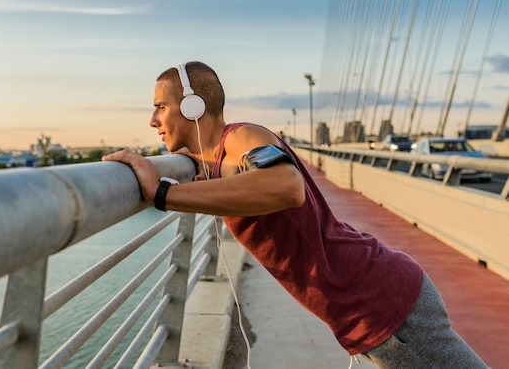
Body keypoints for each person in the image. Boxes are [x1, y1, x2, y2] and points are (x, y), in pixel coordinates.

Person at [102, 61, 488, 368]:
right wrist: (195, 167)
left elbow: (287, 186)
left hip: (386, 306)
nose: (152, 121)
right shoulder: (222, 157)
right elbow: (235, 180)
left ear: (193, 106)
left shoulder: (242, 137)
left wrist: (164, 193)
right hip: (368, 313)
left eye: (160, 107)